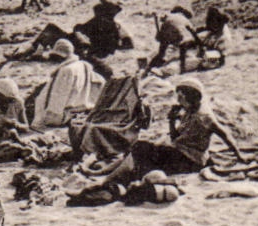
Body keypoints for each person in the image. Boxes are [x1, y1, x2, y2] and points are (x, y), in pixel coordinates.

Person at [89, 80, 241, 189]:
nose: (179, 100)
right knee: (142, 150)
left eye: (181, 97)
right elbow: (175, 138)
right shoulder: (189, 112)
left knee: (141, 148)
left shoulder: (203, 116)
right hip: (181, 153)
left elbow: (224, 134)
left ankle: (109, 177)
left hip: (190, 160)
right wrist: (171, 120)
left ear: (191, 97)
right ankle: (111, 172)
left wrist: (239, 155)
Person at [27, 40, 97, 129]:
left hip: (62, 114)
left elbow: (59, 97)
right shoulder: (83, 65)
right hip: (79, 108)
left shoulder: (67, 70)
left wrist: (46, 117)